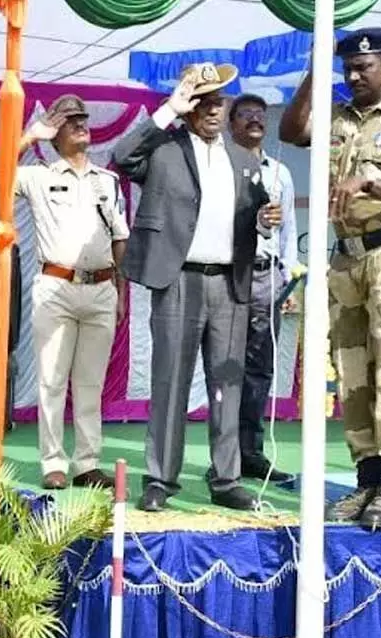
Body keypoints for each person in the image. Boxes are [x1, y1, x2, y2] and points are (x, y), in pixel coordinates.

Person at [279, 28, 381, 529]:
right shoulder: (338, 118)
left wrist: (369, 180)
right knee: (353, 374)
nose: (353, 76)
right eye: (347, 67)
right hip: (346, 259)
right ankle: (366, 481)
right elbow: (291, 131)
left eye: (363, 67)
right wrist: (314, 74)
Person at [112, 63, 281, 513]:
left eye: (218, 101)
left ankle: (226, 479)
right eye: (203, 101)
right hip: (179, 278)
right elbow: (122, 155)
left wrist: (263, 220)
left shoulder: (245, 159)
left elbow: (255, 212)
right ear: (189, 107)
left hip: (230, 281)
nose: (213, 109)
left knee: (227, 381)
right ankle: (161, 479)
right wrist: (169, 108)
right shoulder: (164, 147)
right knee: (171, 380)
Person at [0, 94, 129, 490]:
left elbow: (120, 240)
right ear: (55, 133)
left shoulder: (108, 181)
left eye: (83, 118)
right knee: (51, 380)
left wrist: (122, 293)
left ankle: (87, 463)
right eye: (69, 121)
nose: (80, 124)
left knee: (90, 383)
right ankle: (53, 463)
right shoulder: (38, 176)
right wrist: (31, 135)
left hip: (101, 288)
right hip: (56, 286)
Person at [205, 94, 299, 488]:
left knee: (259, 369)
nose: (255, 122)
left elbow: (290, 229)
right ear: (231, 125)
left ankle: (251, 453)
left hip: (267, 277)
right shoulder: (220, 168)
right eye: (246, 116)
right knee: (227, 369)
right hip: (230, 274)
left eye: (260, 116)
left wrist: (290, 276)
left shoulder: (279, 172)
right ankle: (223, 458)